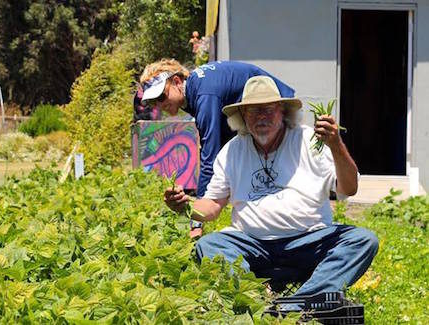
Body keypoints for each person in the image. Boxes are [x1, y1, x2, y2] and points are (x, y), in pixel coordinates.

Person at [163, 76, 378, 304]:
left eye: (268, 109)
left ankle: (295, 305)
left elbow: (349, 188)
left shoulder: (309, 140)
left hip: (308, 241)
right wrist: (186, 206)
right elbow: (213, 205)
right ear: (243, 116)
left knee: (362, 240)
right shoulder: (232, 151)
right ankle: (257, 299)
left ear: (283, 111)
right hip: (252, 245)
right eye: (253, 111)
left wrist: (335, 145)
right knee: (209, 245)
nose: (261, 117)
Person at [140, 59, 296, 235]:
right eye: (154, 102)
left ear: (176, 81)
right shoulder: (195, 89)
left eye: (161, 96)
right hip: (253, 113)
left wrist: (196, 224)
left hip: (274, 108)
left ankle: (281, 226)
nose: (160, 105)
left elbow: (209, 156)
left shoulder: (204, 95)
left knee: (277, 173)